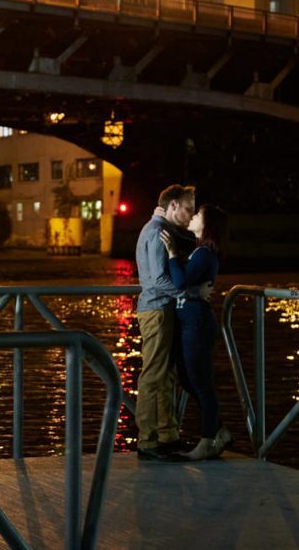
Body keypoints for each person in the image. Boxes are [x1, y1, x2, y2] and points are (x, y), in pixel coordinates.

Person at [160, 203, 233, 461]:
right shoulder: (199, 251)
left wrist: (170, 253)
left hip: (198, 324)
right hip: (190, 322)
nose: (193, 216)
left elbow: (179, 281)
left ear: (208, 224)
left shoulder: (204, 253)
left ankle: (206, 442)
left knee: (201, 384)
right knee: (189, 379)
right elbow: (184, 283)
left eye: (198, 214)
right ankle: (218, 430)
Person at [134, 184, 197, 461]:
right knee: (153, 375)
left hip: (159, 310)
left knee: (164, 375)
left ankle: (166, 435)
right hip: (157, 311)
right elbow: (159, 280)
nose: (191, 214)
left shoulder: (158, 229)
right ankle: (147, 441)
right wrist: (190, 292)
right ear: (172, 205)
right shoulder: (158, 232)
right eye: (187, 208)